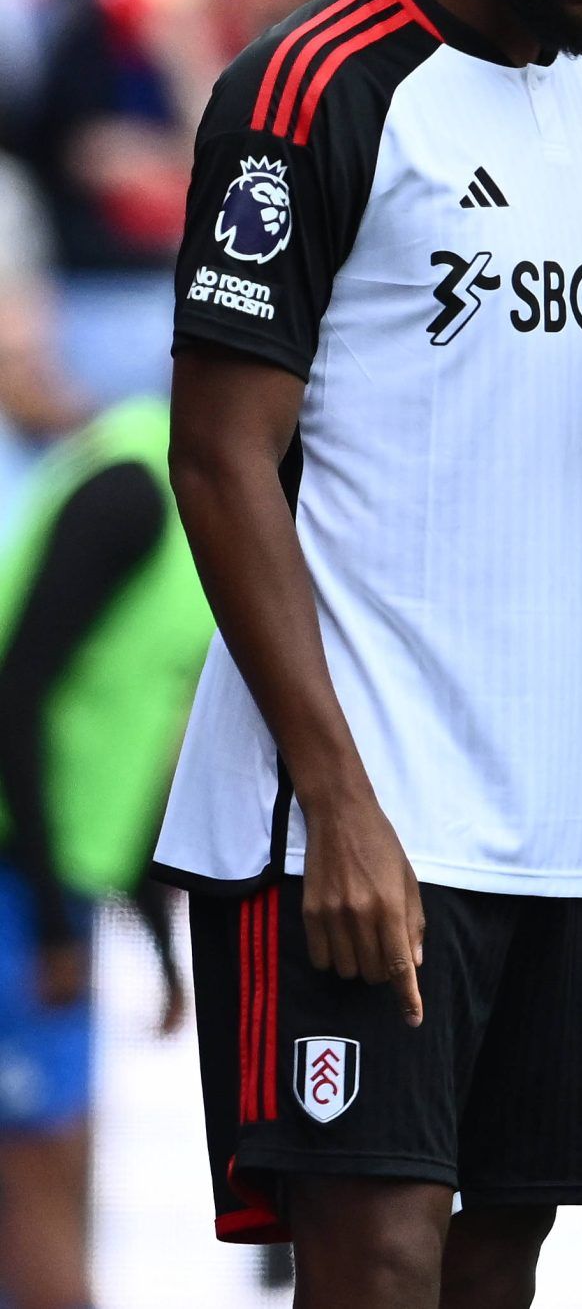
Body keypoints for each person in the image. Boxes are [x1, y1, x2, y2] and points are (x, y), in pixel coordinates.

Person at [145, 0, 582, 1308]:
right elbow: (220, 456)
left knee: (490, 1271)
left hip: (553, 829)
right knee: (373, 1268)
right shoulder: (309, 87)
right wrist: (346, 806)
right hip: (352, 815)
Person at [0, 397, 213, 1309]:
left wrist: (158, 943)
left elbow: (125, 733)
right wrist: (50, 917)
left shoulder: (225, 507)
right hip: (21, 877)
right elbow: (17, 691)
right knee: (39, 1174)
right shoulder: (134, 488)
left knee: (62, 1165)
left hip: (60, 880)